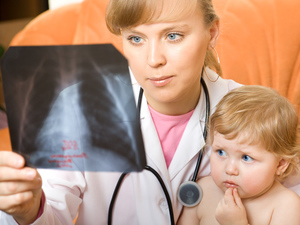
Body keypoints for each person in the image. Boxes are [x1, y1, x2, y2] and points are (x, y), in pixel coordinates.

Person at [0, 0, 299, 224]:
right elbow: (52, 213)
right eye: (136, 39)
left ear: (211, 33)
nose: (153, 60)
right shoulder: (78, 105)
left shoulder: (251, 111)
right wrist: (30, 207)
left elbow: (291, 194)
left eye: (173, 36)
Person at [178, 85, 300, 225]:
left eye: (246, 157)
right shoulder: (203, 191)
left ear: (280, 164)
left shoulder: (286, 206)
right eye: (221, 152)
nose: (230, 169)